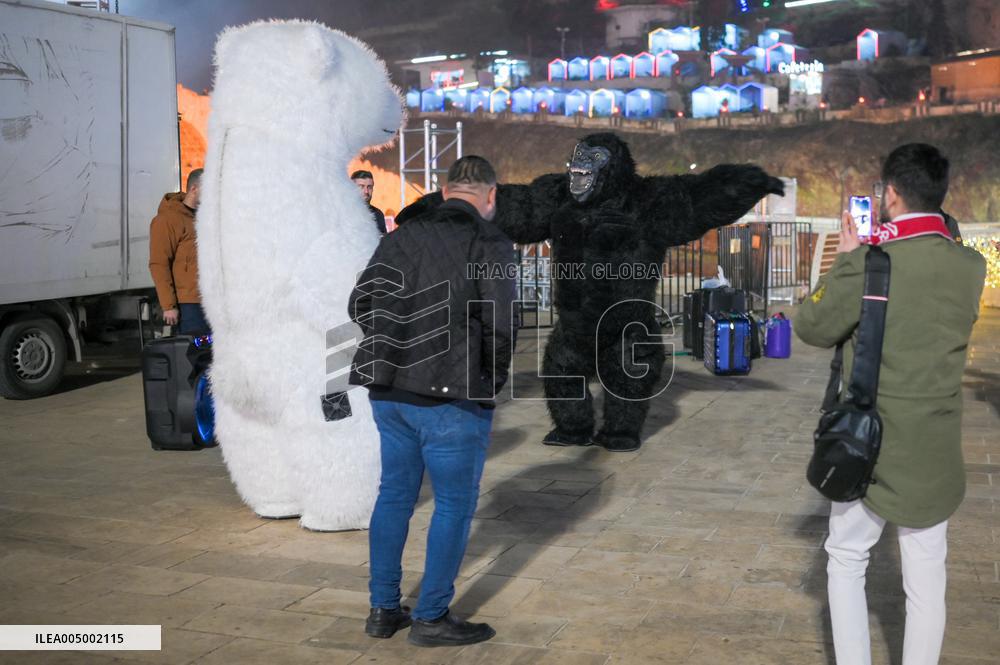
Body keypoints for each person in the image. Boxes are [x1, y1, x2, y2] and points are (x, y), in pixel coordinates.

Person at [795, 143, 986, 665]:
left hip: (869, 444)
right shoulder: (970, 267)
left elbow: (811, 324)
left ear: (891, 194)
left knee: (847, 556)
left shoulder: (872, 264)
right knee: (927, 576)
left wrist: (849, 257)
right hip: (935, 446)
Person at [348, 156, 516, 647]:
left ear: (445, 192)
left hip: (389, 391)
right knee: (453, 505)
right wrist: (489, 384)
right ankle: (430, 616)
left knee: (394, 495)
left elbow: (360, 301)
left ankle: (382, 611)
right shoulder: (490, 242)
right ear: (490, 196)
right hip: (452, 396)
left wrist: (395, 342)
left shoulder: (401, 236)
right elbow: (501, 324)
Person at [149, 168, 209, 335]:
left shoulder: (203, 219)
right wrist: (169, 306)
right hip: (188, 305)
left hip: (209, 301)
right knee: (192, 356)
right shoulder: (168, 220)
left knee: (209, 356)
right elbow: (159, 264)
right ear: (194, 189)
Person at [351, 169, 387, 235]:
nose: (366, 191)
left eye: (369, 187)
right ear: (351, 187)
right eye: (361, 186)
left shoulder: (378, 214)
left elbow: (383, 242)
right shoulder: (342, 213)